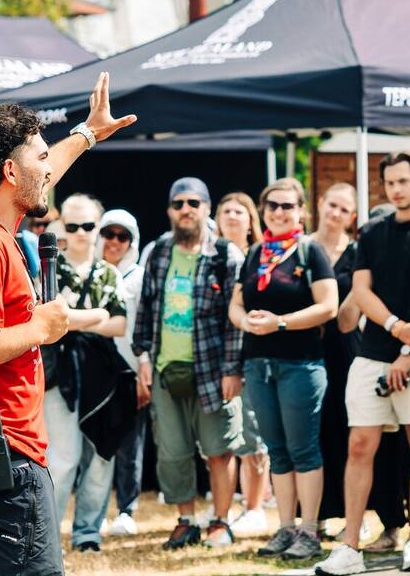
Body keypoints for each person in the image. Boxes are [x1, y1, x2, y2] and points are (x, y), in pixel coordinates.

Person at [0, 79, 131, 575]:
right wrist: (43, 327)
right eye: (39, 158)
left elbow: (36, 179)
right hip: (0, 462)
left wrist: (87, 134)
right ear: (7, 171)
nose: (49, 170)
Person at [317, 152, 410, 575]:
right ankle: (350, 546)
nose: (395, 190)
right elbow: (361, 290)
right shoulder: (371, 231)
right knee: (360, 445)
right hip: (373, 350)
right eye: (389, 183)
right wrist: (395, 328)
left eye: (403, 181)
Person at [133, 177, 247, 551]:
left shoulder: (226, 256)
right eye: (179, 203)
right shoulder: (160, 252)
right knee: (173, 453)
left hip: (213, 370)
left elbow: (237, 320)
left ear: (207, 209)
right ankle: (186, 520)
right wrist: (144, 359)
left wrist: (233, 370)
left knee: (219, 449)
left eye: (194, 203)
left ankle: (221, 521)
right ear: (169, 210)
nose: (186, 210)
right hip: (166, 370)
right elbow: (146, 309)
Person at [230, 177, 339, 561]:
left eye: (287, 206)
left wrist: (280, 323)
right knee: (277, 451)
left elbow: (329, 306)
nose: (279, 212)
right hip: (259, 364)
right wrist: (248, 323)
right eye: (273, 205)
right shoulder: (256, 252)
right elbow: (236, 305)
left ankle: (309, 530)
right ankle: (285, 527)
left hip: (300, 364)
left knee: (303, 449)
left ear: (301, 211)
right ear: (263, 210)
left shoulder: (311, 252)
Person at [45, 193, 128, 552]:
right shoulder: (47, 269)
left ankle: (88, 532)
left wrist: (75, 321)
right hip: (57, 373)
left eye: (88, 225)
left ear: (99, 227)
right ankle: (48, 535)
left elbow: (121, 324)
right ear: (61, 227)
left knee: (100, 454)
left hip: (102, 374)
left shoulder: (109, 273)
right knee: (60, 459)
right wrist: (97, 317)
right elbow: (46, 323)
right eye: (72, 225)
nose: (81, 233)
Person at [214, 192, 271, 536]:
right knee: (224, 436)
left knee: (252, 433)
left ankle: (255, 506)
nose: (233, 216)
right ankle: (227, 503)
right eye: (226, 210)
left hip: (250, 356)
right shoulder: (210, 255)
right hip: (214, 361)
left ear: (251, 220)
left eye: (239, 211)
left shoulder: (259, 257)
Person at [98, 208, 150, 536]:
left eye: (123, 236)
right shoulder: (86, 272)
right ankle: (96, 511)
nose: (114, 242)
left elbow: (143, 327)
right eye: (109, 233)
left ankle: (126, 510)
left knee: (131, 445)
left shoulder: (140, 276)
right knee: (98, 446)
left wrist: (144, 366)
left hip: (129, 370)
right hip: (94, 370)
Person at [312, 183, 359, 535]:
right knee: (312, 430)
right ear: (320, 203)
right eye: (332, 205)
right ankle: (318, 513)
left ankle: (350, 516)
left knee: (346, 429)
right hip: (307, 348)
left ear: (351, 217)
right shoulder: (300, 248)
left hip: (346, 351)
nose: (335, 213)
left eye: (344, 209)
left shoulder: (357, 254)